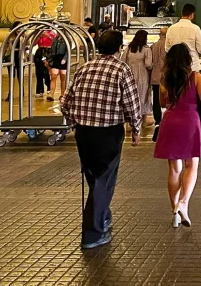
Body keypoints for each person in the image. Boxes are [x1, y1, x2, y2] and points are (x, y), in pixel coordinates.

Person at [59, 30, 142, 250]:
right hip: (109, 132)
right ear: (119, 49)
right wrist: (136, 128)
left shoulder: (84, 68)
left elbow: (65, 100)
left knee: (94, 177)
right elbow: (131, 102)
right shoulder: (121, 69)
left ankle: (102, 216)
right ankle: (93, 233)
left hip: (84, 133)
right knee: (104, 180)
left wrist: (71, 120)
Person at [154, 44, 201, 228]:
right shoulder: (195, 77)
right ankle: (184, 203)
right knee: (191, 164)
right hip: (190, 122)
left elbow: (163, 102)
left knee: (174, 168)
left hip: (170, 122)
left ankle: (175, 212)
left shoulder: (165, 78)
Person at [165, 5, 201, 146]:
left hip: (174, 69)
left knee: (175, 100)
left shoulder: (171, 29)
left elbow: (167, 48)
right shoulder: (195, 28)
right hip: (192, 68)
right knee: (194, 103)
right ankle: (199, 134)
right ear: (192, 15)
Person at [123, 30, 153, 128]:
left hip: (130, 75)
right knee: (143, 96)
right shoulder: (146, 49)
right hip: (143, 76)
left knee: (130, 96)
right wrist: (153, 67)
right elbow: (148, 64)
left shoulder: (129, 48)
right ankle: (143, 120)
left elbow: (123, 60)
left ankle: (128, 123)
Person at [150, 31, 167, 128]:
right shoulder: (169, 46)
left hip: (155, 76)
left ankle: (157, 121)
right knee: (168, 98)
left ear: (159, 35)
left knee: (156, 99)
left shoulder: (153, 46)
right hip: (165, 76)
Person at [48, 29, 69, 108]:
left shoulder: (67, 39)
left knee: (62, 77)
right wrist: (49, 60)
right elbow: (51, 50)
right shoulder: (55, 39)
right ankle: (51, 94)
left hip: (63, 58)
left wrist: (65, 58)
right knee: (53, 76)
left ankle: (62, 94)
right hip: (56, 58)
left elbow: (68, 50)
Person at [34, 25, 53, 99]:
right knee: (39, 72)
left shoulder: (52, 33)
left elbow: (53, 41)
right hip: (40, 51)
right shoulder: (39, 33)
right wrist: (39, 36)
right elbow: (34, 43)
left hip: (48, 51)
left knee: (47, 71)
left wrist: (48, 36)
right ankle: (39, 90)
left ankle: (49, 88)